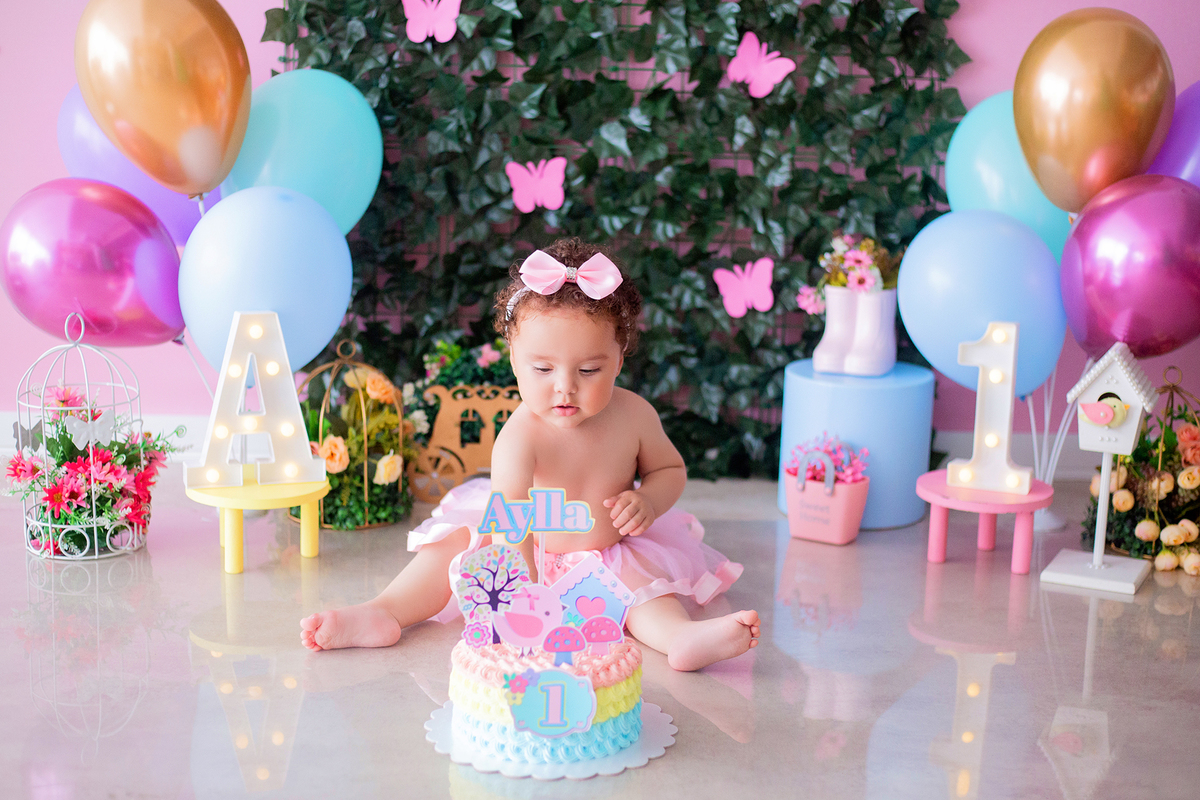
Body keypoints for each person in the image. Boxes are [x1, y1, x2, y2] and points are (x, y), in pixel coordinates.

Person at [301, 238, 759, 671]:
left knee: (644, 592)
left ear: (619, 358)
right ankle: (385, 612)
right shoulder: (520, 436)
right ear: (514, 359)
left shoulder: (634, 416)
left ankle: (680, 639)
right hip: (520, 550)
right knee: (449, 551)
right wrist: (522, 588)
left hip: (606, 553)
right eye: (542, 368)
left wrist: (650, 500)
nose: (565, 386)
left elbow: (669, 468)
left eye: (588, 369)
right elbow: (510, 519)